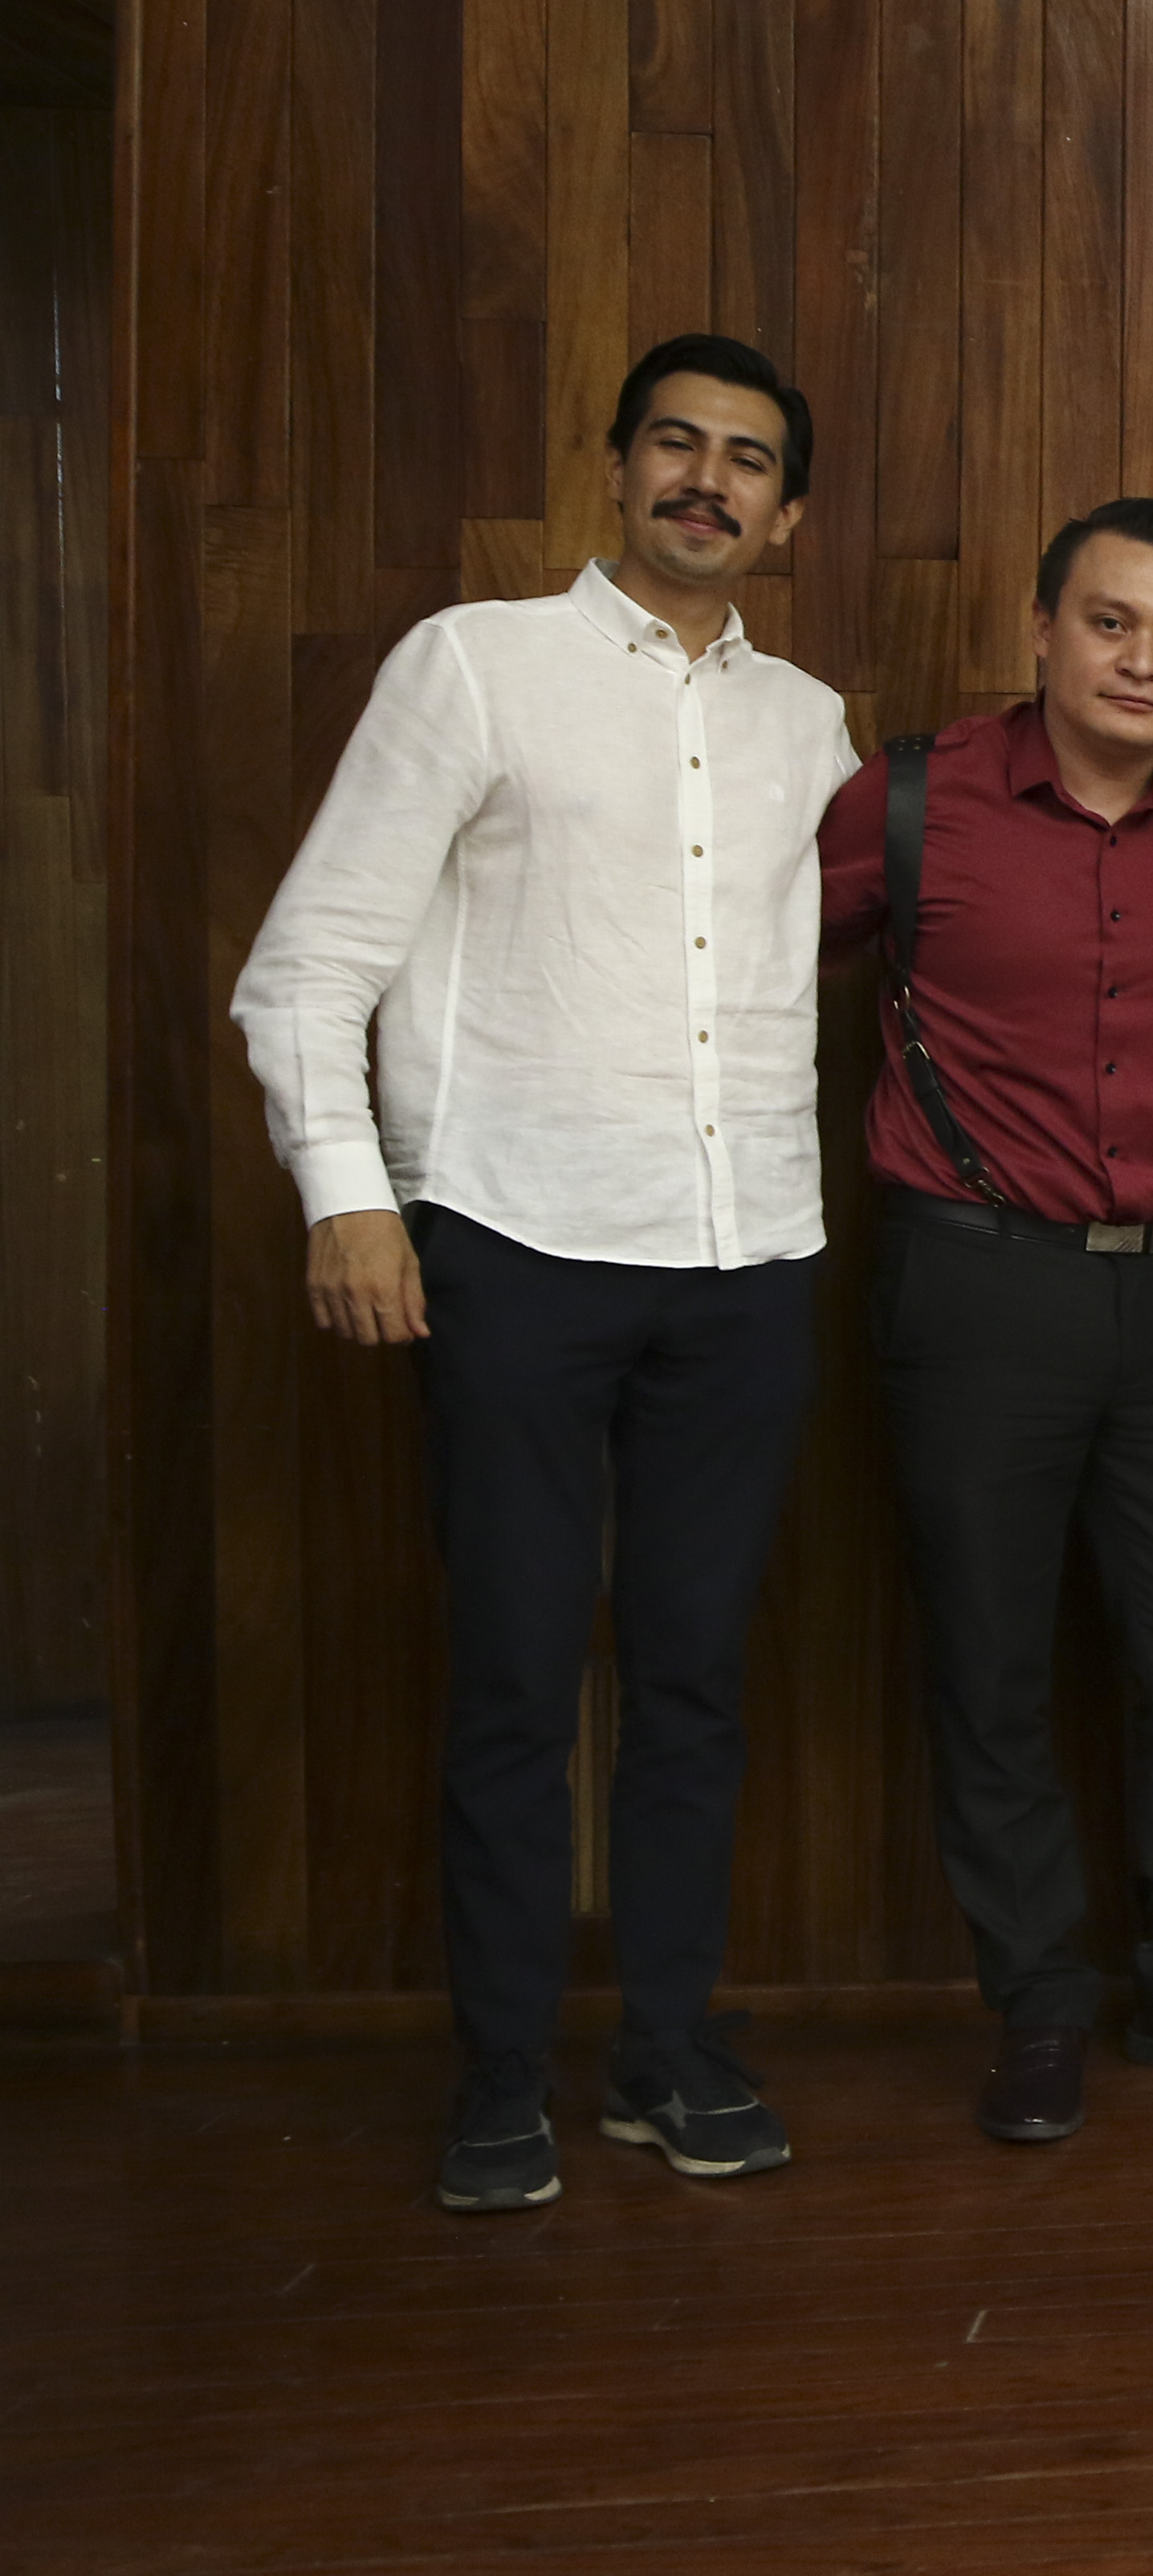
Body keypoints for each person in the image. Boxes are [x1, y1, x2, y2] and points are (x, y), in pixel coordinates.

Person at [233, 334, 857, 2211]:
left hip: (746, 1257)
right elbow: (307, 964)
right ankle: (501, 2073)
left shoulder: (809, 723)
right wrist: (349, 1195)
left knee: (693, 1681)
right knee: (514, 1677)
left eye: (748, 459)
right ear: (615, 465)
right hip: (509, 1245)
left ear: (787, 514)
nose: (708, 478)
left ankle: (666, 2048)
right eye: (677, 441)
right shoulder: (473, 663)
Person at [819, 498, 1153, 2144]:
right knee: (990, 1660)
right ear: (1041, 628)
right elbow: (721, 979)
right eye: (1110, 623)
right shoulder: (909, 799)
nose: (1140, 661)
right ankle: (1037, 2005)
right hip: (971, 1278)